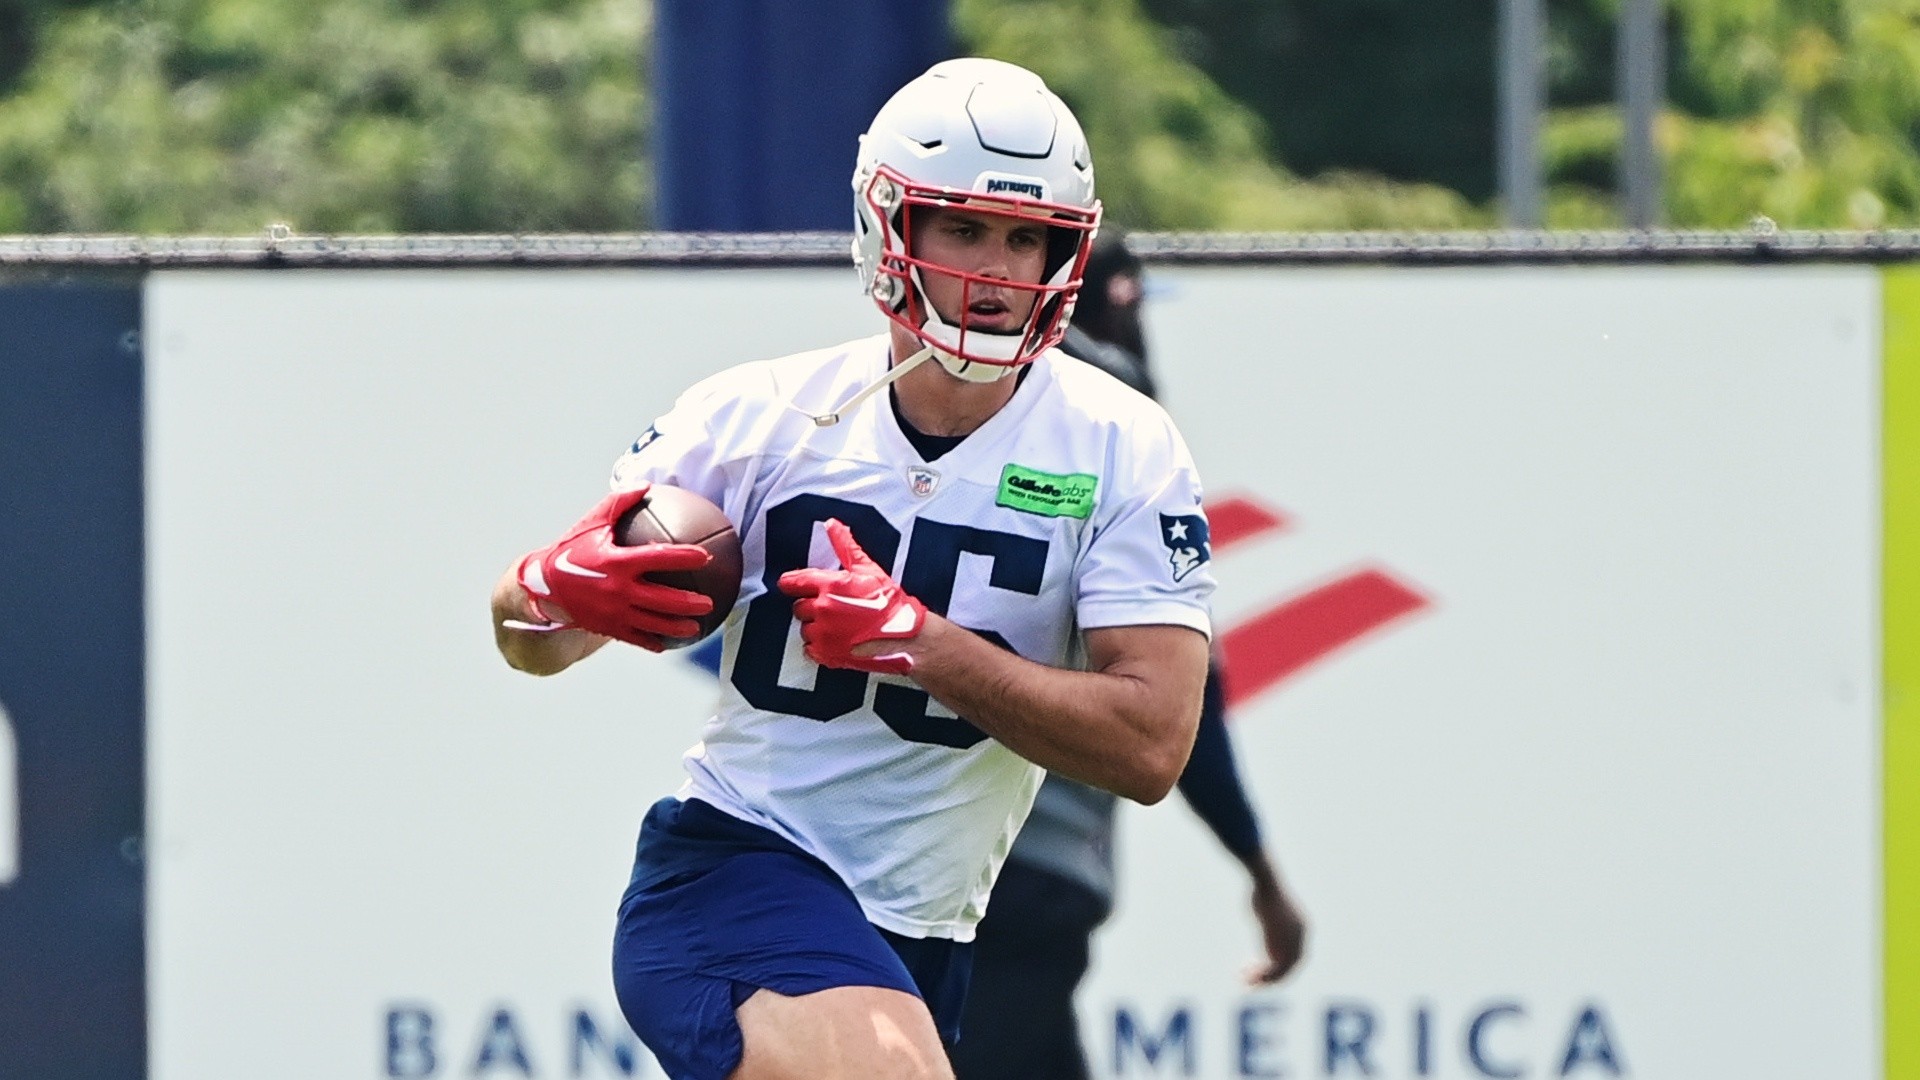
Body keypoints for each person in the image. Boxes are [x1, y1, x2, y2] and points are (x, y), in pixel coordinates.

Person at [490, 58, 1217, 1080]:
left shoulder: (1122, 445)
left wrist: (923, 646)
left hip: (921, 931)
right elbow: (532, 637)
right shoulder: (754, 416)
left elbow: (1151, 747)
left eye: (1025, 238)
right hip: (736, 873)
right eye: (962, 228)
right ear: (891, 227)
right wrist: (551, 584)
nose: (996, 270)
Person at [951, 235, 1308, 1080]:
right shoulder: (1117, 428)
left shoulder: (941, 400)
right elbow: (1183, 723)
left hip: (916, 849)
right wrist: (1261, 873)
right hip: (1025, 859)